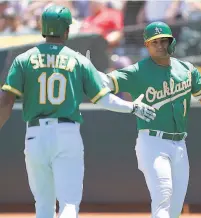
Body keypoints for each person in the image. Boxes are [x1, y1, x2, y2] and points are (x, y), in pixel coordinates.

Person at [0, 5, 155, 218]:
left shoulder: (24, 59)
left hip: (35, 135)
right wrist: (132, 107)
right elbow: (104, 99)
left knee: (43, 205)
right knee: (69, 204)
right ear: (66, 30)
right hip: (66, 134)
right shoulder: (79, 60)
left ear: (43, 28)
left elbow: (5, 101)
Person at [102, 21, 201, 218]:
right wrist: (87, 72)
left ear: (171, 42)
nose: (159, 46)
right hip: (152, 141)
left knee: (175, 207)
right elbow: (104, 83)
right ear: (147, 45)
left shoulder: (186, 69)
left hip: (180, 144)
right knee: (163, 194)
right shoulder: (137, 71)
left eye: (163, 41)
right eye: (154, 42)